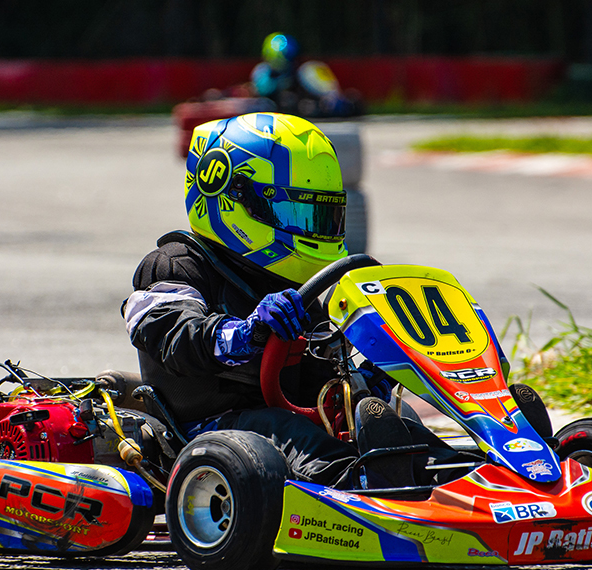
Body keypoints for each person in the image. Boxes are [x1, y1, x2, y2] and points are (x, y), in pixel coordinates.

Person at [122, 112, 462, 489]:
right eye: (296, 212)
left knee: (389, 422)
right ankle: (368, 489)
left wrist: (371, 377)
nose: (311, 229)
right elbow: (175, 337)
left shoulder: (296, 286)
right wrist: (248, 331)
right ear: (232, 196)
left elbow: (319, 380)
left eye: (321, 215)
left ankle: (466, 478)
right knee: (286, 432)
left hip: (292, 422)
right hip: (211, 430)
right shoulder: (175, 265)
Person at [250, 33, 362, 118]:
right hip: (276, 110)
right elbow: (259, 94)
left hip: (310, 106)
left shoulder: (304, 71)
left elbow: (331, 95)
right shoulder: (262, 72)